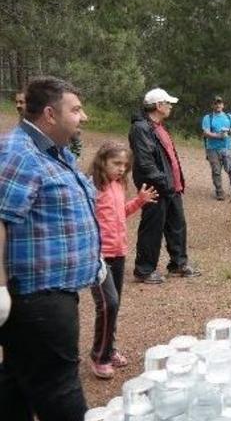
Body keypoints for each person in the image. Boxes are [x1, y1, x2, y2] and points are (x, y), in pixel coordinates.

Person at [0, 76, 103, 420]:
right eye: (75, 110)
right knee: (58, 388)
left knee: (18, 378)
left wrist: (93, 255)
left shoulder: (54, 153)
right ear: (49, 114)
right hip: (37, 296)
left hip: (52, 292)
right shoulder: (19, 153)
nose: (83, 116)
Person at [88, 142, 158, 379]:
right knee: (109, 303)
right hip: (98, 257)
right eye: (116, 164)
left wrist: (138, 200)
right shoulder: (92, 187)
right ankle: (100, 357)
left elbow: (120, 213)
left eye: (124, 165)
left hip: (118, 253)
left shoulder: (118, 185)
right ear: (102, 161)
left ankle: (109, 348)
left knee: (113, 306)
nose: (121, 169)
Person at [129, 87, 201, 284]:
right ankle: (144, 269)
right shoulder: (141, 128)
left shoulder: (158, 126)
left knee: (177, 226)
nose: (170, 107)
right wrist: (162, 182)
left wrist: (174, 184)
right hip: (156, 188)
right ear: (158, 105)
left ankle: (178, 263)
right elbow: (145, 162)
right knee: (152, 228)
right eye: (168, 103)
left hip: (171, 187)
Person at [201, 96, 231, 200]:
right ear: (212, 105)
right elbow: (206, 132)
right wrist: (219, 136)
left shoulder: (229, 116)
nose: (218, 105)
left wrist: (228, 131)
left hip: (228, 148)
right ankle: (219, 191)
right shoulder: (208, 117)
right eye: (216, 103)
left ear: (223, 105)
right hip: (212, 149)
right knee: (216, 171)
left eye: (220, 103)